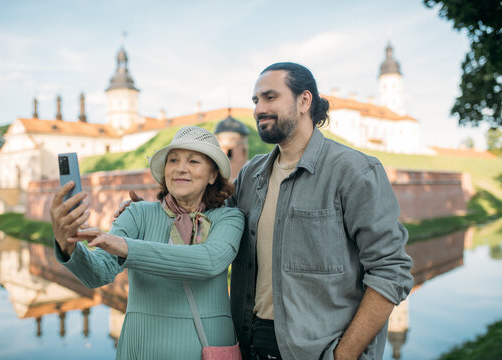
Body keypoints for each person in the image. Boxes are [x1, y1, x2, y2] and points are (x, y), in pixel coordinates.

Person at [116, 63, 414, 360]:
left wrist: (344, 355)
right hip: (249, 345)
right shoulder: (250, 175)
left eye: (270, 97)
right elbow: (201, 215)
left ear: (304, 101)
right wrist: (147, 212)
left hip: (317, 351)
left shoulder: (354, 172)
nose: (259, 109)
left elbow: (391, 272)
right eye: (256, 101)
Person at [50, 126, 244, 359]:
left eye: (194, 161)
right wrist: (67, 245)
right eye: (173, 160)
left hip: (208, 349)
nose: (181, 168)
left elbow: (209, 261)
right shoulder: (137, 214)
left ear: (212, 175)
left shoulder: (229, 218)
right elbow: (97, 274)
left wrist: (126, 247)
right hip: (140, 349)